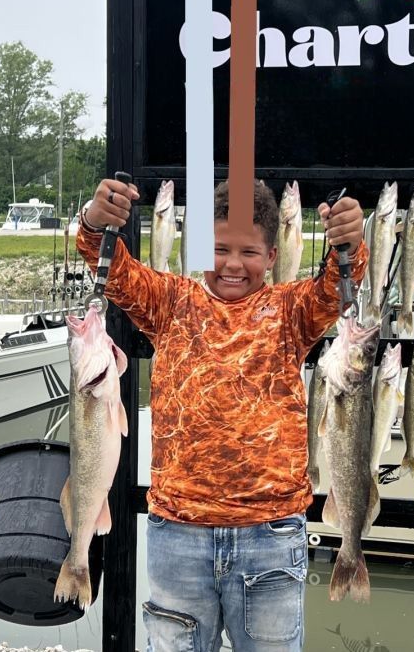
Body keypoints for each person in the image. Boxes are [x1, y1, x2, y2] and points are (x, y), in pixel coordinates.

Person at [76, 178, 368, 652]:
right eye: (219, 249)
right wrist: (94, 221)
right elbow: (110, 269)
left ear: (272, 256)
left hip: (271, 534)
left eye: (250, 252)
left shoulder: (291, 309)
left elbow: (338, 285)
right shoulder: (169, 301)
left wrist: (351, 241)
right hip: (179, 534)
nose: (233, 264)